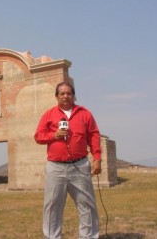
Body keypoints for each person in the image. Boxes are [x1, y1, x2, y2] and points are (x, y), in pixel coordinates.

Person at [34, 82, 102, 239]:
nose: (65, 96)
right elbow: (38, 136)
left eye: (69, 93)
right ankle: (52, 237)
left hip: (80, 165)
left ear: (74, 95)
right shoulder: (49, 115)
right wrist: (54, 135)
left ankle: (89, 236)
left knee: (86, 205)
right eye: (62, 93)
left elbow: (94, 135)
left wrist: (97, 158)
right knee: (52, 206)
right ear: (57, 96)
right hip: (55, 167)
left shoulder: (85, 113)